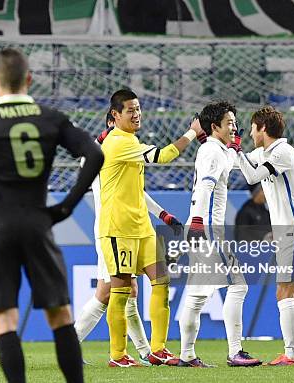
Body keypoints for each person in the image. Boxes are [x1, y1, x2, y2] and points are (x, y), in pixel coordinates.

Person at [0, 48, 103, 383]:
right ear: (29, 79)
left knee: (5, 319)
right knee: (60, 314)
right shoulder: (50, 117)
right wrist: (68, 205)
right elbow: (94, 153)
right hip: (38, 221)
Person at [99, 89, 202, 367]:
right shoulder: (118, 142)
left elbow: (137, 190)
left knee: (161, 283)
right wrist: (192, 132)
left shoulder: (130, 141)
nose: (137, 114)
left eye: (139, 109)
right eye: (130, 110)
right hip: (118, 229)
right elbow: (165, 155)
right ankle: (118, 355)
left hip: (142, 228)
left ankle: (158, 348)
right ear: (115, 116)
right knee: (119, 291)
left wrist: (161, 215)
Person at [74, 112, 184, 366]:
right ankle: (71, 347)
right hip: (111, 228)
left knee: (127, 290)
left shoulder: (118, 151)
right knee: (107, 293)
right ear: (111, 122)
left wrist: (162, 214)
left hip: (126, 228)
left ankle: (146, 351)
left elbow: (136, 191)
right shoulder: (100, 153)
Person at [232, 106, 294, 365]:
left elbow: (251, 175)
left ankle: (291, 354)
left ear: (262, 128)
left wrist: (236, 150)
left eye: (252, 128)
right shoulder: (264, 152)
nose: (249, 133)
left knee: (283, 292)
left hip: (293, 230)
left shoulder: (283, 152)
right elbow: (240, 163)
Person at [178, 101, 262, 368]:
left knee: (197, 295)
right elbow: (205, 188)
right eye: (229, 123)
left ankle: (187, 355)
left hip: (202, 227)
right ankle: (235, 351)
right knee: (239, 285)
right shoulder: (213, 153)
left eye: (236, 122)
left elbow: (230, 160)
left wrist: (231, 144)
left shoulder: (215, 149)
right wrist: (200, 225)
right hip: (208, 230)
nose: (234, 127)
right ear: (215, 127)